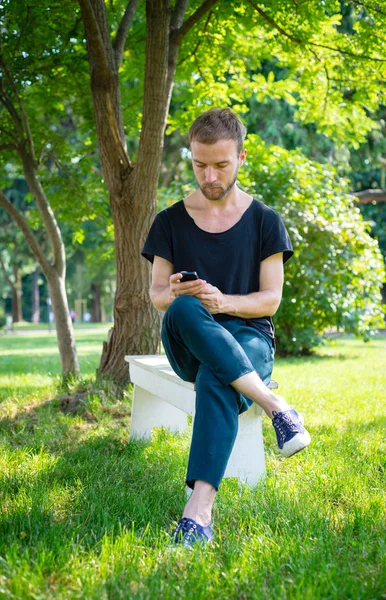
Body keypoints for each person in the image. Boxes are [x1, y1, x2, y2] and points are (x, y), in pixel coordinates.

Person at [141, 107, 311, 549]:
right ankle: (276, 406)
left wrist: (225, 302)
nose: (209, 175)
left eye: (220, 164)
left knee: (218, 377)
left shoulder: (265, 221)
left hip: (251, 339)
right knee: (181, 310)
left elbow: (270, 299)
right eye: (200, 164)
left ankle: (198, 511)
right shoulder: (170, 221)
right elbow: (157, 296)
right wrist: (180, 292)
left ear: (241, 156)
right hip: (188, 340)